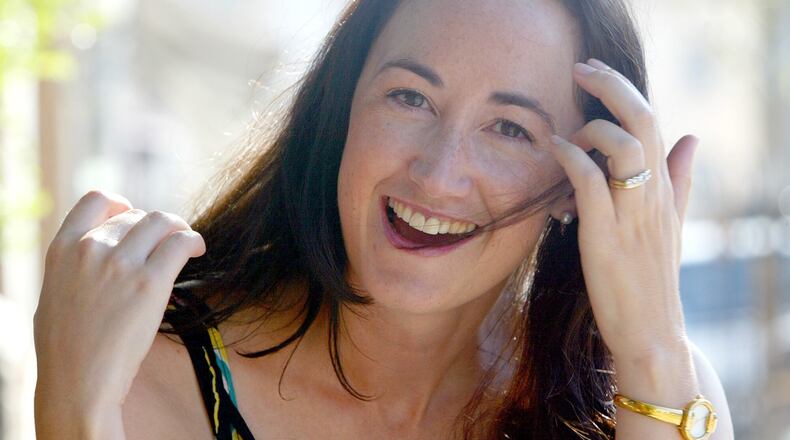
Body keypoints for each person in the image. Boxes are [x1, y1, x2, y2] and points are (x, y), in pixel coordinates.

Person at [33, 0, 735, 438]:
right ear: (343, 108)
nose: (436, 173)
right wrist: (72, 418)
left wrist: (652, 354)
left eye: (510, 129)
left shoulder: (656, 396)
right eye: (410, 98)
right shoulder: (142, 370)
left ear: (574, 187)